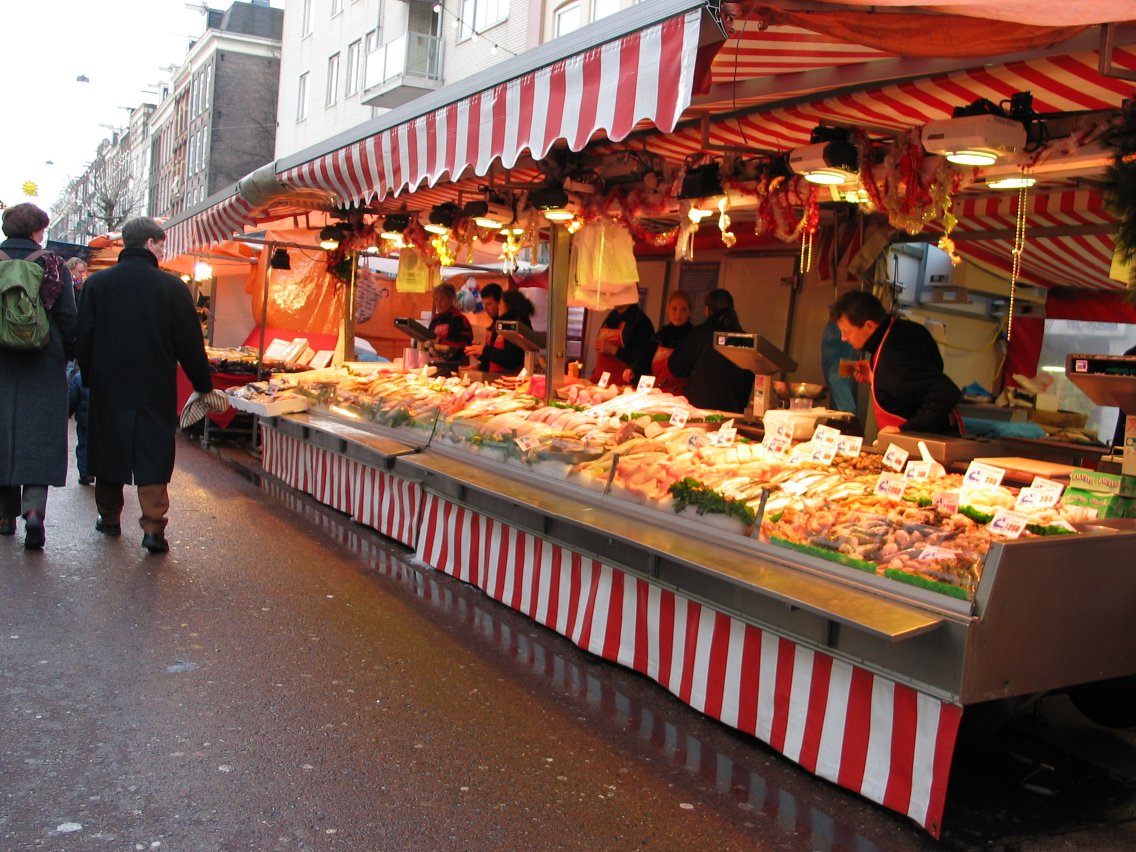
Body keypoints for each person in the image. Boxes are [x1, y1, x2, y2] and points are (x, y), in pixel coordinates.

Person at [76, 217, 214, 554]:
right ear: (150, 243)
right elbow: (189, 345)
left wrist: (91, 377)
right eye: (162, 245)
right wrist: (203, 384)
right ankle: (153, 528)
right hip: (155, 384)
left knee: (109, 448)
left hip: (109, 383)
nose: (163, 252)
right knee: (153, 450)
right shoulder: (172, 288)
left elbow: (84, 338)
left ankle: (109, 517)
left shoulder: (97, 284)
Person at [0, 203, 77, 549]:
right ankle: (33, 512)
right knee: (40, 436)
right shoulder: (55, 264)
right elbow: (69, 319)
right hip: (43, 359)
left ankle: (4, 516)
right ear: (36, 230)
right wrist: (66, 354)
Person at [829, 290, 962, 436]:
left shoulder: (893, 357)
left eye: (847, 332)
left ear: (869, 326)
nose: (843, 338)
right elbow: (917, 382)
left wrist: (904, 429)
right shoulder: (905, 330)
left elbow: (945, 393)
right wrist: (876, 375)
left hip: (927, 443)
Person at [667, 289, 753, 412]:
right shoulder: (744, 339)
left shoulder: (699, 334)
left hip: (698, 411)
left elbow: (676, 367)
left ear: (708, 310)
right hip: (733, 413)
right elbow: (749, 378)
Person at [626, 290, 694, 393]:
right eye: (674, 308)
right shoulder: (661, 334)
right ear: (668, 310)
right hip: (657, 390)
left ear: (690, 312)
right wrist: (633, 370)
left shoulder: (693, 337)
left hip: (682, 393)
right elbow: (645, 357)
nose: (678, 313)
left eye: (683, 309)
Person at [65, 257, 93, 485]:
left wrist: (68, 410)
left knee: (83, 442)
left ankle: (85, 472)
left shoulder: (80, 377)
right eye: (80, 272)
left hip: (83, 415)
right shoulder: (69, 289)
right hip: (99, 416)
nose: (81, 276)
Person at [590, 299, 654, 386]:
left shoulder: (641, 322)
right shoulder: (612, 316)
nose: (612, 297)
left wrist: (613, 349)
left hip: (621, 386)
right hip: (600, 381)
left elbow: (643, 359)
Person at [472, 289, 536, 375]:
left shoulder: (519, 324)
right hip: (496, 377)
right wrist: (481, 358)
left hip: (513, 378)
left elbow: (513, 359)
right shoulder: (501, 324)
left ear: (509, 305)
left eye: (501, 303)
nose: (498, 306)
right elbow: (495, 356)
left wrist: (484, 350)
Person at [426, 282, 473, 359]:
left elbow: (461, 346)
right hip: (436, 361)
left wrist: (439, 341)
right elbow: (429, 340)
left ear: (451, 299)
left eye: (443, 299)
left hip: (457, 363)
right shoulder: (435, 319)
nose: (439, 303)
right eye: (436, 299)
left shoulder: (458, 319)